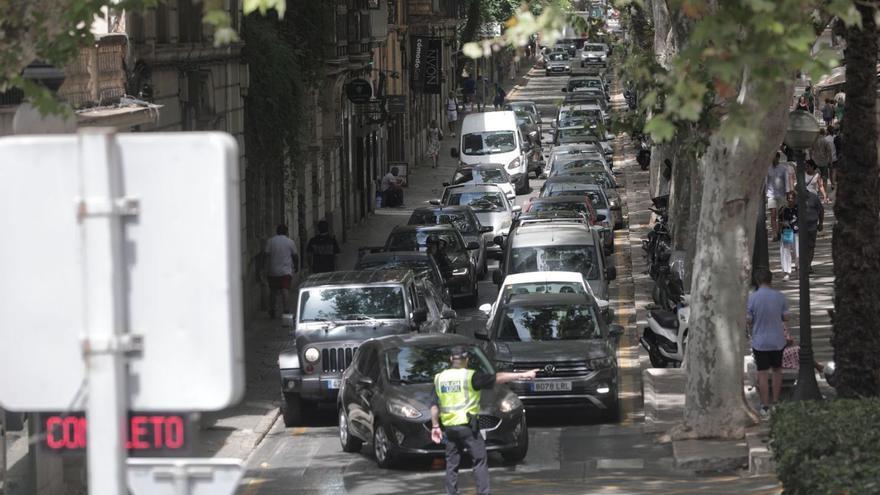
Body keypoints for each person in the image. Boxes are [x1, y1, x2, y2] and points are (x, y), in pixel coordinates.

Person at [430, 346, 538, 495]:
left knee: (451, 464)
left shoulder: (440, 378)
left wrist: (435, 426)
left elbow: (434, 406)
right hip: (468, 429)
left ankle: (451, 492)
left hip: (449, 429)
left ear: (450, 360)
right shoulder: (470, 377)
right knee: (479, 461)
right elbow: (498, 378)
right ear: (467, 360)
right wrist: (524, 374)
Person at [747, 268, 789, 417]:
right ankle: (776, 402)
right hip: (777, 340)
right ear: (771, 280)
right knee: (777, 371)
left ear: (757, 281)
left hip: (760, 341)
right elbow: (785, 318)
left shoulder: (752, 298)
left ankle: (765, 405)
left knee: (762, 373)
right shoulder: (780, 297)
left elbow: (749, 320)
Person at [264, 224, 298, 319]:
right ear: (286, 232)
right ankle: (286, 309)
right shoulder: (290, 242)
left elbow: (266, 255)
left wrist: (264, 268)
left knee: (273, 291)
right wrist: (296, 266)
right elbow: (295, 256)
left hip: (273, 271)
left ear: (277, 231)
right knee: (285, 290)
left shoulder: (270, 241)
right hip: (286, 271)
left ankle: (272, 309)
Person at [766, 152, 789, 241]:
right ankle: (774, 234)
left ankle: (780, 231)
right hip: (771, 194)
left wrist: (787, 193)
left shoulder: (783, 169)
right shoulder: (768, 169)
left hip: (781, 194)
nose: (773, 160)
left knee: (781, 215)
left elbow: (786, 181)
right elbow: (765, 181)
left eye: (775, 158)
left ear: (778, 158)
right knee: (773, 215)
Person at [778, 193, 799, 282]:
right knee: (785, 252)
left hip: (797, 232)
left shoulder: (799, 208)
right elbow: (779, 221)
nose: (790, 200)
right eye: (788, 198)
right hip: (786, 232)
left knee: (798, 252)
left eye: (792, 198)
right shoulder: (783, 209)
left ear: (795, 199)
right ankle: (786, 273)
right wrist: (780, 230)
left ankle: (798, 270)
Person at [801, 190, 823, 273]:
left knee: (811, 246)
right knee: (802, 247)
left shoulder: (814, 197)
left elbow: (821, 210)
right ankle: (803, 264)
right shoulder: (797, 198)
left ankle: (808, 265)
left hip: (812, 227)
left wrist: (821, 223)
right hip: (800, 228)